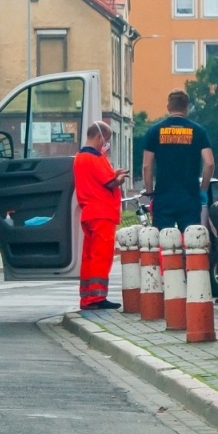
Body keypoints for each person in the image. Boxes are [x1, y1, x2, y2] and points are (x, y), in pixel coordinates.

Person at [139, 90, 215, 232]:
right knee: (191, 241)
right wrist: (203, 189)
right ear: (186, 108)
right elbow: (209, 163)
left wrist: (150, 193)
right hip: (190, 197)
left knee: (164, 241)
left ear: (168, 107)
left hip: (163, 197)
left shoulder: (154, 131)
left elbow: (146, 166)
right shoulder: (198, 131)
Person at [73, 121, 124, 310]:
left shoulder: (79, 157)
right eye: (106, 140)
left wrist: (112, 174)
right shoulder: (95, 157)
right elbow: (109, 182)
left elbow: (98, 179)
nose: (105, 144)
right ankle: (97, 298)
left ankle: (87, 297)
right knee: (101, 256)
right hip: (102, 213)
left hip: (89, 213)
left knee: (89, 256)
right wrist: (118, 179)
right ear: (99, 137)